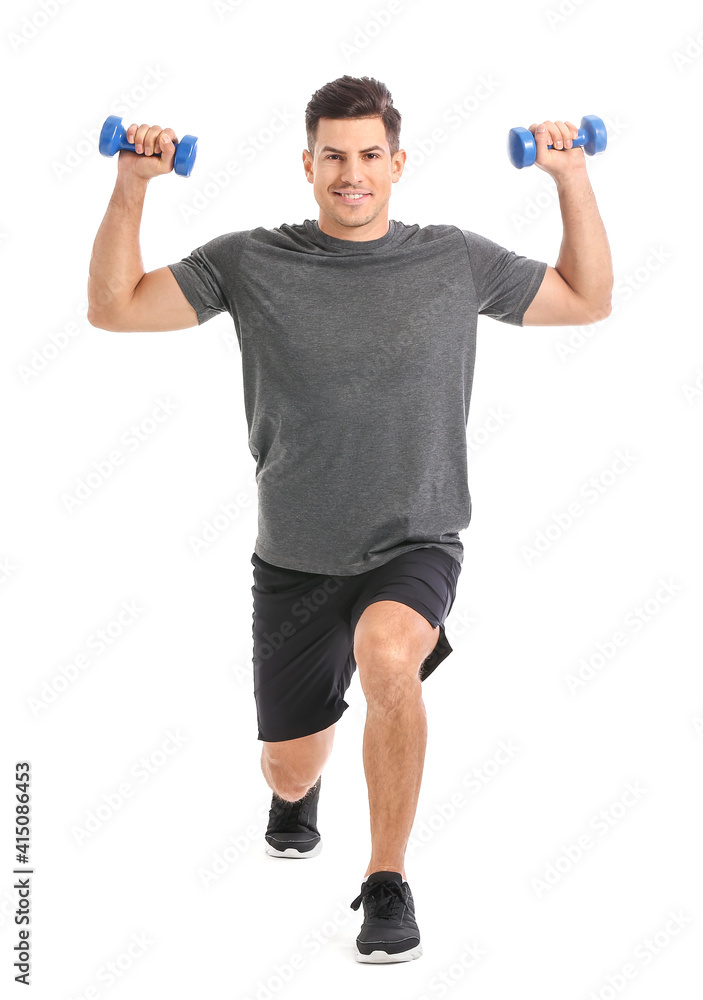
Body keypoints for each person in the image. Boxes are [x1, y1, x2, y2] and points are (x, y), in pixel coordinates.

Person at [87, 74, 613, 964]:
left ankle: (385, 881)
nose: (352, 172)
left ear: (398, 163)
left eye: (370, 154)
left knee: (386, 657)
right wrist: (131, 185)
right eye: (334, 155)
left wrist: (569, 176)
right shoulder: (251, 261)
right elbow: (115, 308)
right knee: (290, 762)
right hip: (293, 559)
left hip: (415, 543)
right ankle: (296, 797)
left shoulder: (451, 260)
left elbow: (585, 297)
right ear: (307, 163)